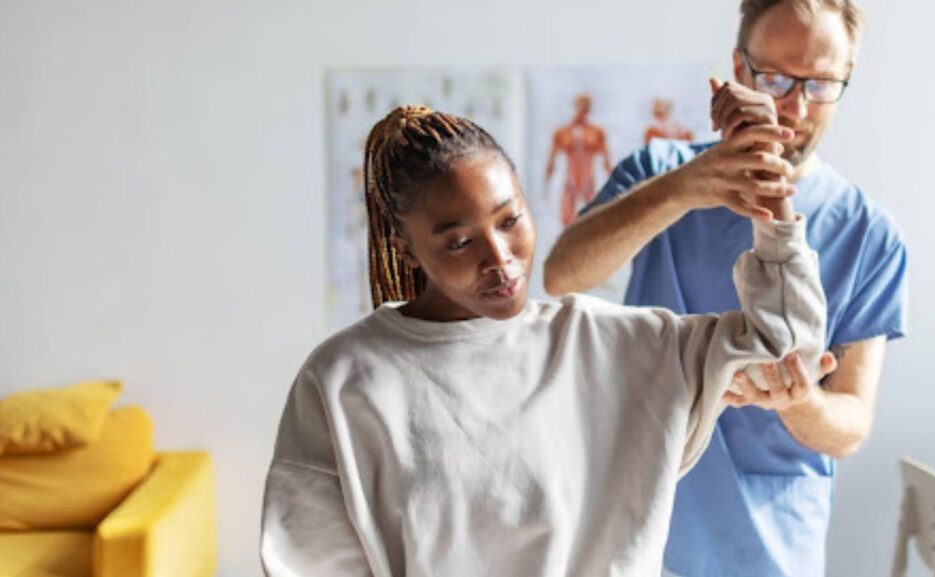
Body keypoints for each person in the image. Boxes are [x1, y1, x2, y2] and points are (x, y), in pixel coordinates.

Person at [261, 105, 830, 576]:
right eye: (459, 242)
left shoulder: (610, 345)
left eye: (510, 221)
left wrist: (773, 199)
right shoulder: (344, 380)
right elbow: (309, 561)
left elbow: (786, 347)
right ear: (407, 249)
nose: (500, 260)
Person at [544, 1, 909, 575]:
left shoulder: (870, 236)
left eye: (820, 84)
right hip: (644, 521)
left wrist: (801, 401)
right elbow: (562, 274)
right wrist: (686, 187)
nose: (793, 105)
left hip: (773, 546)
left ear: (846, 80)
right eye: (774, 78)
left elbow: (849, 428)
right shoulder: (658, 170)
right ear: (738, 70)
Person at [544, 94, 614, 227]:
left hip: (588, 178)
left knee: (592, 213)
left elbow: (607, 162)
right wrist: (546, 185)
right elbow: (551, 160)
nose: (582, 109)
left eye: (585, 106)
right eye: (580, 105)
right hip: (571, 178)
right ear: (574, 106)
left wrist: (614, 183)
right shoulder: (563, 132)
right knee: (567, 214)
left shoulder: (597, 132)